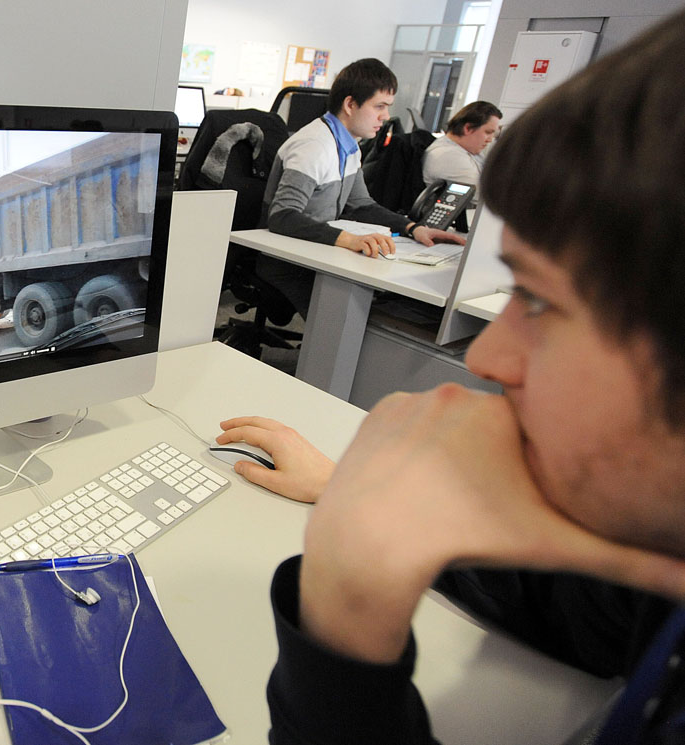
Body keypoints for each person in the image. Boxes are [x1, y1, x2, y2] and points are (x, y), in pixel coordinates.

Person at [217, 10, 685, 744]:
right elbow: (589, 617)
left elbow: (359, 206)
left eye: (540, 303)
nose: (486, 359)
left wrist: (345, 604)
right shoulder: (655, 584)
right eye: (378, 107)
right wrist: (361, 501)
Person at [255, 58, 465, 314]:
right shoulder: (314, 146)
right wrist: (350, 240)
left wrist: (414, 228)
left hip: (316, 251)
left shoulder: (349, 145)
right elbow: (282, 216)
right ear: (350, 104)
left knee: (384, 298)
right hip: (286, 261)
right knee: (355, 316)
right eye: (379, 106)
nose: (385, 116)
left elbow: (361, 205)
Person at [421, 100, 503, 203]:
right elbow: (491, 194)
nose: (490, 139)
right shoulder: (447, 156)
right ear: (468, 128)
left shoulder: (467, 149)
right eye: (488, 132)